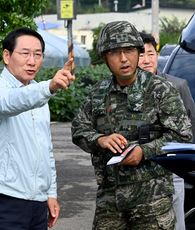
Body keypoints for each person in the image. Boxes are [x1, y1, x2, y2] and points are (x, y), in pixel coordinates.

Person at [71, 21, 193, 229]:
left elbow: (182, 136)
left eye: (129, 50)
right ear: (104, 58)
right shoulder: (98, 93)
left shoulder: (161, 89)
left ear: (138, 51)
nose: (124, 58)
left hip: (152, 200)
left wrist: (143, 151)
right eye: (115, 52)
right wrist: (100, 139)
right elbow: (78, 130)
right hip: (109, 199)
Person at [0, 27, 75, 230]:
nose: (32, 61)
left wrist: (50, 193)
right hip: (4, 199)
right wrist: (48, 87)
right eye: (25, 53)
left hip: (37, 203)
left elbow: (45, 149)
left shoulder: (39, 93)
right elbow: (11, 102)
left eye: (38, 55)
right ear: (6, 55)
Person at [138, 31, 195, 230]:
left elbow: (192, 126)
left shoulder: (178, 85)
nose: (146, 60)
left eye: (151, 53)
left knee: (176, 222)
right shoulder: (127, 90)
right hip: (140, 170)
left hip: (172, 169)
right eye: (141, 54)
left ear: (157, 54)